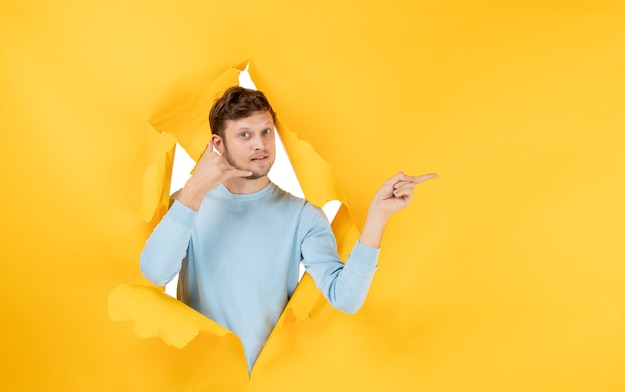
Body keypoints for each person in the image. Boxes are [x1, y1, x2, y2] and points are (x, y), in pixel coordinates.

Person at [140, 86, 437, 373]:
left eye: (266, 132)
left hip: (270, 389)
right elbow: (155, 273)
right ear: (218, 145)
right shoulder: (187, 203)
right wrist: (195, 188)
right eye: (245, 134)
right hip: (199, 386)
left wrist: (379, 215)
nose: (261, 144)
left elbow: (344, 297)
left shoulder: (302, 216)